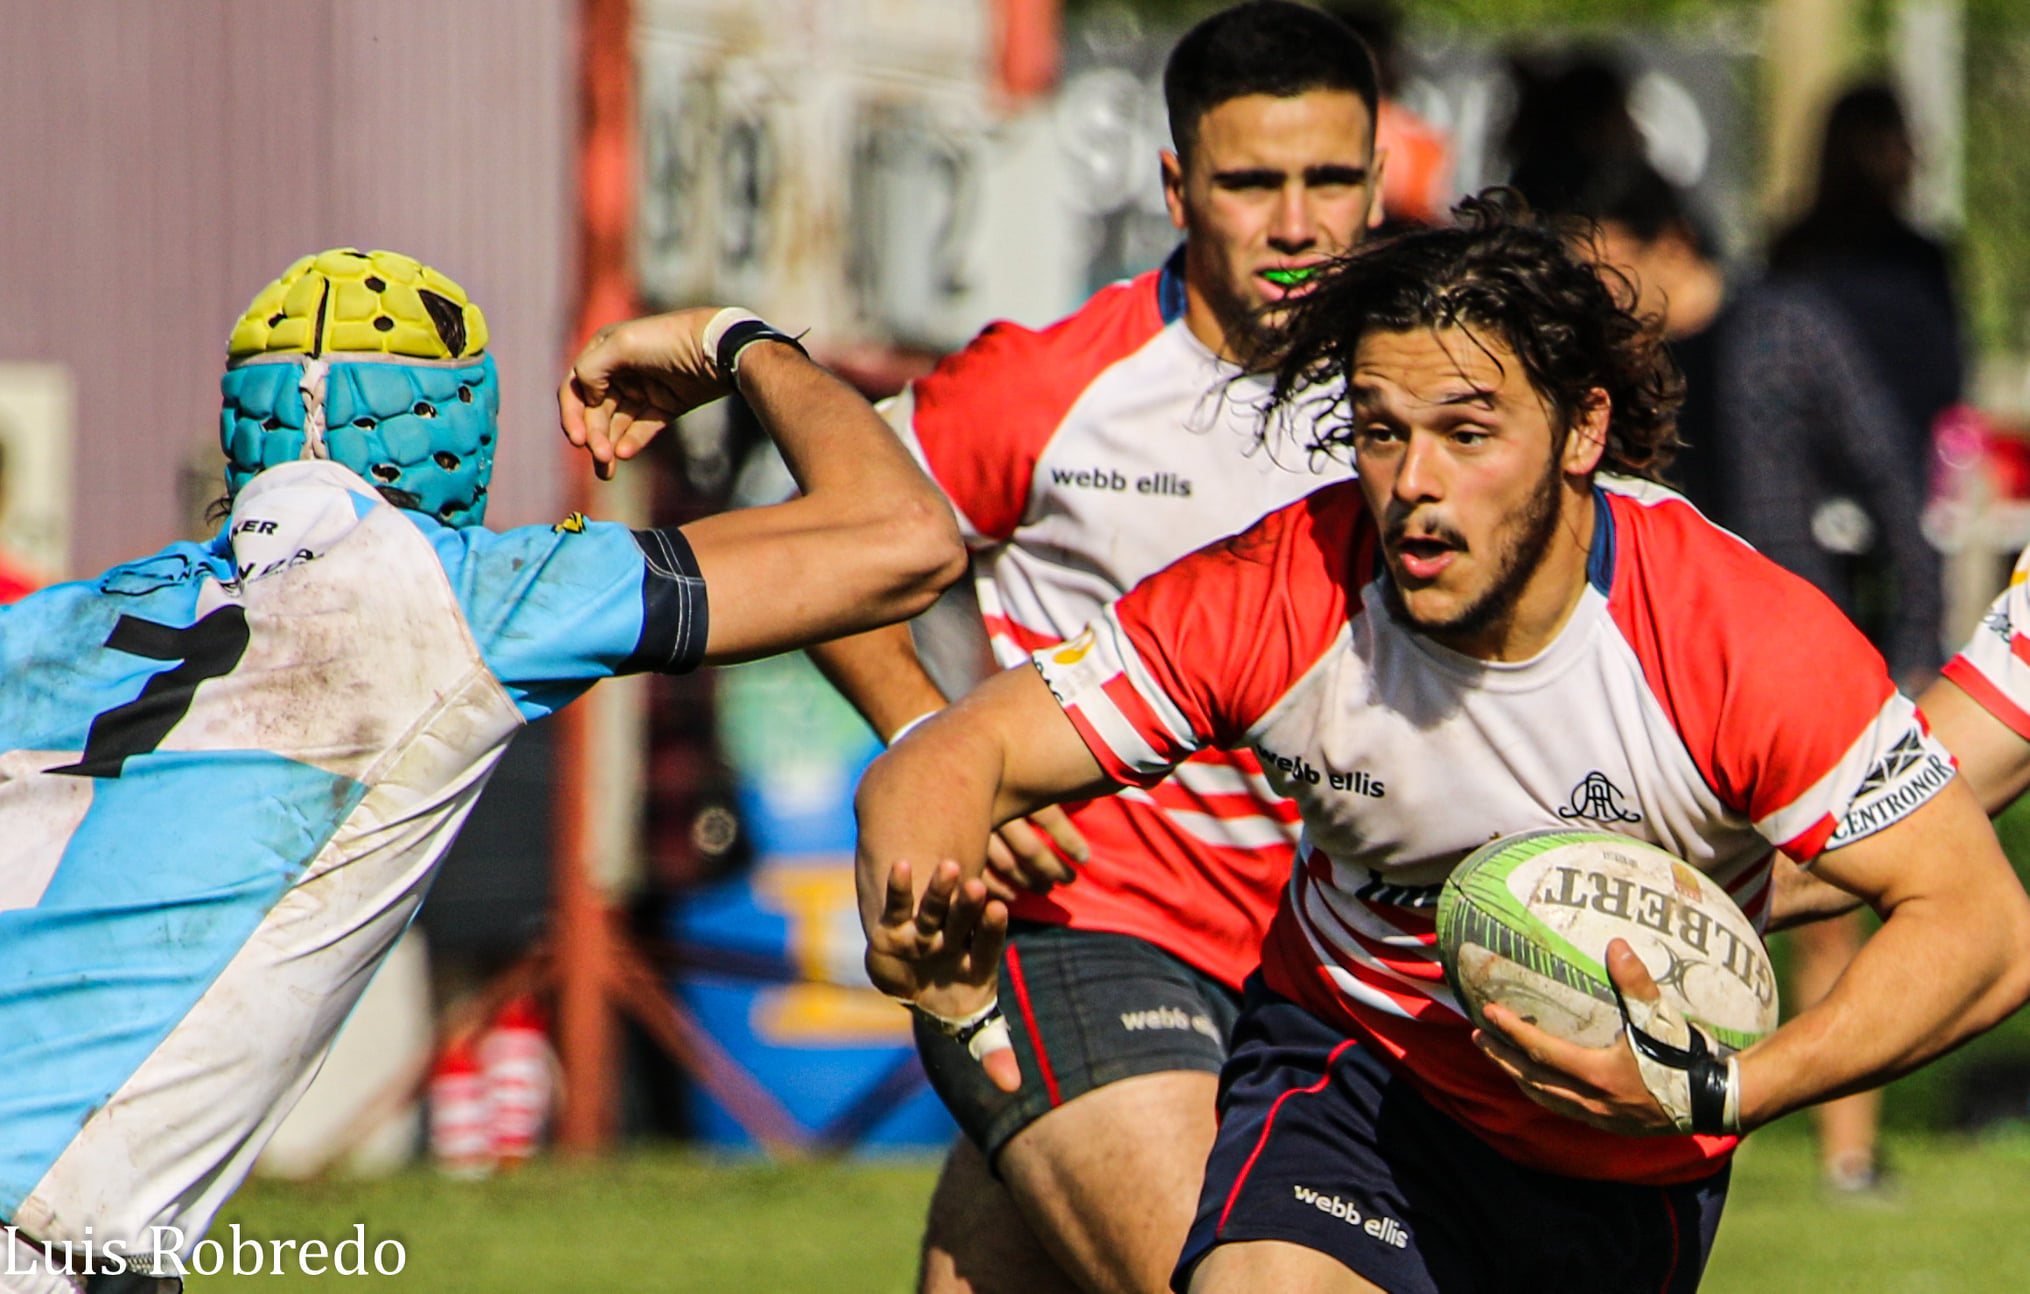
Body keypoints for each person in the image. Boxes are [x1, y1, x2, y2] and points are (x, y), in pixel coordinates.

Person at [854, 194, 2030, 1294]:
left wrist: (1719, 1086)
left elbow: (1978, 927)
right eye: (1378, 431)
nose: (1415, 484)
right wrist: (927, 911)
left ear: (1582, 431)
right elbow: (954, 757)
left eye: (1467, 433)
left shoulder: (1737, 636)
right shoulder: (1283, 588)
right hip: (1355, 1074)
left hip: (1617, 1161)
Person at [0, 248, 962, 1293]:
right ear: (462, 430)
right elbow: (904, 539)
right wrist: (737, 341)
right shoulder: (460, 595)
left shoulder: (48, 620)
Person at [809, 5, 1384, 1290]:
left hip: (1333, 960)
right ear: (1177, 184)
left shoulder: (1423, 397)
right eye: (1249, 182)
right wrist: (935, 743)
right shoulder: (1051, 388)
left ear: (1379, 176)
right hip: (1087, 921)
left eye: (1328, 180)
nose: (1295, 223)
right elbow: (827, 549)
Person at [1572, 163, 1942, 1196]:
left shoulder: (1784, 327)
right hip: (1651, 665)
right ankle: (1638, 1122)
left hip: (1787, 660)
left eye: (1608, 268)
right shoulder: (1615, 367)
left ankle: (1848, 1155)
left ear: (1668, 245)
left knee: (1834, 904)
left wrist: (1912, 641)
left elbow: (1888, 476)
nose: (1594, 299)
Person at [1770, 83, 1963, 480]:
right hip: (1898, 466)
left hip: (1814, 471)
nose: (1913, 156)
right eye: (1901, 141)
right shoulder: (1915, 261)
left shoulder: (1794, 252)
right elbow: (1947, 375)